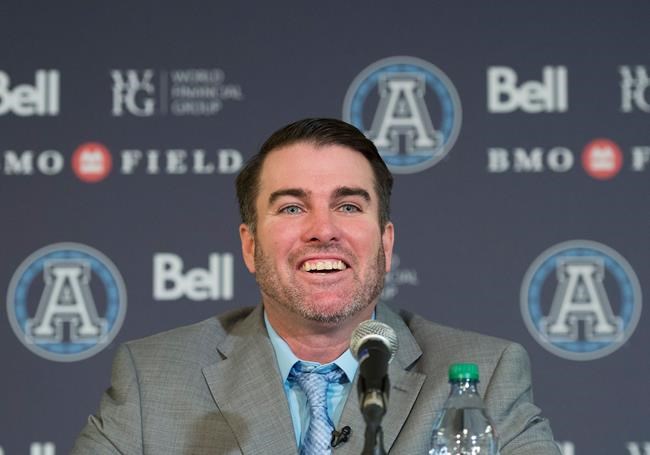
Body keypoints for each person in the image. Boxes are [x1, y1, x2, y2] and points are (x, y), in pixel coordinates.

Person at [72, 118, 560, 454]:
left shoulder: (485, 376)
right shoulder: (153, 380)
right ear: (249, 245)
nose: (322, 230)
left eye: (348, 206)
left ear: (385, 241)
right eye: (291, 208)